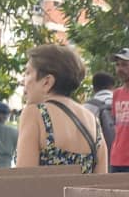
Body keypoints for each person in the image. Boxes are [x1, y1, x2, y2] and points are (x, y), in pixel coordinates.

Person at [16, 44, 108, 174]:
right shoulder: (92, 121)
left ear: (47, 82)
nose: (22, 81)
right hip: (80, 195)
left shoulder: (35, 113)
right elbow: (100, 185)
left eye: (27, 73)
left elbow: (22, 180)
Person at [83, 71, 116, 152]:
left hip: (98, 155)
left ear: (94, 88)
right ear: (112, 87)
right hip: (122, 155)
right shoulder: (122, 103)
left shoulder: (85, 108)